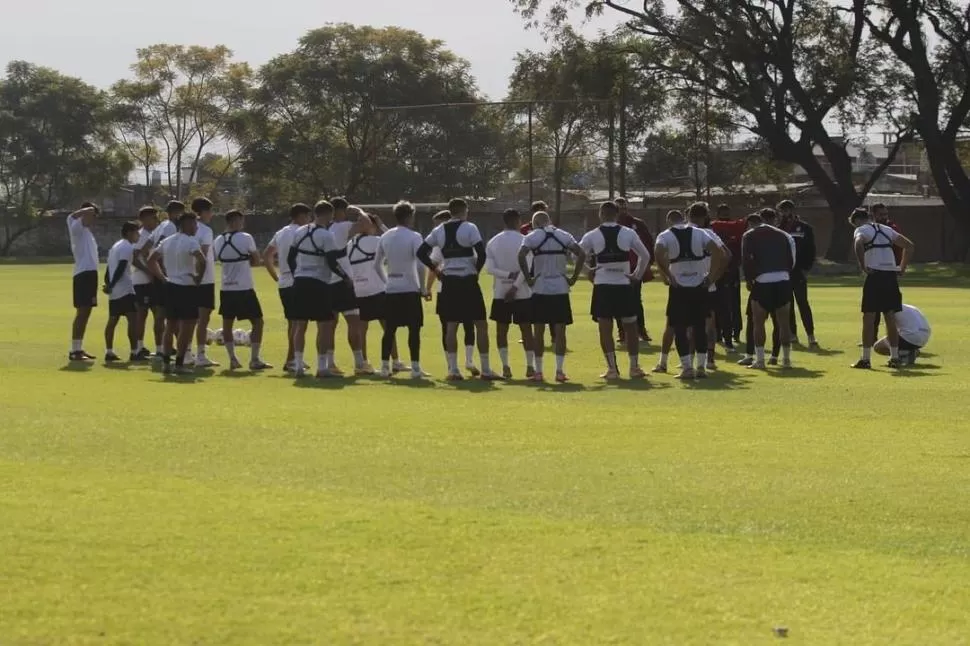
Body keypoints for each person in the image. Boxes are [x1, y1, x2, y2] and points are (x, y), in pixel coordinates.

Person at [418, 198, 500, 381]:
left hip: (449, 281)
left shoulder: (439, 230)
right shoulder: (470, 227)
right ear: (464, 211)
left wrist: (437, 270)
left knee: (451, 326)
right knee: (480, 324)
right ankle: (486, 369)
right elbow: (482, 252)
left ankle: (454, 370)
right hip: (468, 280)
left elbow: (421, 252)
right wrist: (476, 272)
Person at [579, 200, 651, 380]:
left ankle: (612, 369)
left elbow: (577, 254)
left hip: (603, 286)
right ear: (617, 214)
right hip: (624, 285)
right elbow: (645, 255)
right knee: (631, 327)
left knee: (605, 328)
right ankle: (634, 368)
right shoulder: (628, 233)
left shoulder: (592, 235)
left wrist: (588, 271)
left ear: (600, 214)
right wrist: (636, 275)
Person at [654, 203, 727, 380]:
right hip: (699, 286)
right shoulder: (700, 233)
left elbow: (658, 253)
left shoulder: (665, 235)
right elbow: (719, 253)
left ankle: (687, 368)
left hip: (679, 287)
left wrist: (668, 274)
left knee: (679, 327)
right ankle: (701, 368)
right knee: (699, 326)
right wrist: (710, 277)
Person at [287, 200, 353, 378]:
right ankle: (322, 367)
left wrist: (296, 275)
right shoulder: (326, 235)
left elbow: (290, 258)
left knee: (300, 325)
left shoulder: (300, 231)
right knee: (324, 325)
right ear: (329, 214)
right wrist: (346, 277)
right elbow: (332, 262)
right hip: (319, 283)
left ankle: (299, 365)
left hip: (300, 282)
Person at [519, 210, 586, 383]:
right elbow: (582, 254)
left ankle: (539, 372)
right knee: (560, 331)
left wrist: (528, 278)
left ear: (534, 224)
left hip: (540, 287)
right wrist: (574, 277)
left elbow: (521, 255)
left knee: (539, 331)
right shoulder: (564, 235)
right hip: (561, 288)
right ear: (549, 221)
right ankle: (559, 371)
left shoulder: (532, 236)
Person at [849, 207, 915, 369]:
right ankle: (894, 358)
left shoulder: (861, 229)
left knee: (869, 318)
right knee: (890, 318)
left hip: (875, 276)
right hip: (890, 277)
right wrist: (902, 267)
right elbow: (909, 245)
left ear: (856, 221)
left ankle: (865, 359)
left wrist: (863, 266)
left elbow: (858, 243)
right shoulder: (886, 229)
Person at [373, 201, 431, 379]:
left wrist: (386, 281)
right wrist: (422, 288)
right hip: (410, 289)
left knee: (389, 330)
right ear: (409, 216)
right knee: (414, 330)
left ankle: (384, 367)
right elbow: (421, 265)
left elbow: (377, 264)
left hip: (391, 289)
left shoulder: (386, 236)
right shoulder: (414, 236)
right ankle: (415, 368)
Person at [148, 212, 205, 375]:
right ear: (186, 224)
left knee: (170, 324)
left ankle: (166, 363)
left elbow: (151, 259)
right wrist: (198, 279)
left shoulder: (167, 241)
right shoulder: (191, 241)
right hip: (186, 286)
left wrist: (162, 277)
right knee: (187, 326)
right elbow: (202, 260)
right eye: (194, 224)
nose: (196, 227)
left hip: (170, 285)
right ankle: (179, 363)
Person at [347, 212, 405, 374]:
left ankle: (363, 362)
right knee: (388, 327)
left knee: (361, 329)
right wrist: (382, 226)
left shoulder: (350, 244)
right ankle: (395, 361)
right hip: (378, 289)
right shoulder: (376, 241)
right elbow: (396, 242)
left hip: (358, 290)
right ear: (372, 225)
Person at [214, 210, 271, 371]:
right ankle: (254, 359)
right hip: (244, 287)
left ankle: (232, 358)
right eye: (241, 220)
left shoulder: (218, 240)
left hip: (226, 288)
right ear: (236, 221)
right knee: (258, 322)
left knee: (227, 324)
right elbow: (256, 259)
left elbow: (219, 258)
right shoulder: (246, 238)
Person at [741, 207, 797, 369]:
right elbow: (792, 260)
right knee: (783, 323)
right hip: (783, 280)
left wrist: (750, 279)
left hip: (762, 281)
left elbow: (746, 260)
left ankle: (759, 361)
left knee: (758, 322)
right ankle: (786, 360)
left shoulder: (749, 235)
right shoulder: (784, 235)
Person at [427, 210, 479, 376]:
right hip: (464, 284)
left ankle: (454, 365)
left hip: (447, 289)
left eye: (438, 224)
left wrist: (428, 287)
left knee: (449, 327)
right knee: (466, 324)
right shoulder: (466, 237)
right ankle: (465, 361)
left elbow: (432, 267)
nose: (436, 228)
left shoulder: (440, 242)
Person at [486, 209, 535, 379]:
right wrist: (515, 286)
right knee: (527, 329)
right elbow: (527, 267)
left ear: (504, 221)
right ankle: (530, 366)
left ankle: (506, 366)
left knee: (501, 330)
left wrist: (507, 277)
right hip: (522, 291)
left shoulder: (493, 242)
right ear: (518, 221)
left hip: (500, 291)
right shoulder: (525, 240)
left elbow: (489, 269)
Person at [264, 203, 312, 372]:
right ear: (300, 216)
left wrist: (275, 276)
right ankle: (291, 359)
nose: (309, 220)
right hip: (298, 280)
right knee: (299, 323)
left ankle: (294, 357)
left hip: (284, 281)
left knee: (293, 323)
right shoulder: (303, 232)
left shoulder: (281, 232)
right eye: (307, 216)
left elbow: (267, 255)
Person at [320, 197, 365, 374]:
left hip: (326, 280)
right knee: (354, 322)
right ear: (342, 211)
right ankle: (360, 363)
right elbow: (365, 223)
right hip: (343, 281)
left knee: (329, 325)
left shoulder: (324, 229)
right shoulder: (344, 226)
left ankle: (330, 363)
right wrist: (359, 211)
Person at [778, 200, 818, 347]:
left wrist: (806, 267)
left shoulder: (805, 228)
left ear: (793, 210)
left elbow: (811, 249)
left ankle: (811, 335)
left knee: (803, 302)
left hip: (798, 271)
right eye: (783, 210)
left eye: (788, 209)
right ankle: (792, 334)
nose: (786, 213)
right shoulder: (778, 229)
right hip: (784, 272)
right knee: (788, 304)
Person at [615, 197, 655, 343]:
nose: (622, 211)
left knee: (636, 300)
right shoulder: (611, 226)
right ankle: (622, 332)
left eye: (624, 207)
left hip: (635, 268)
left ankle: (641, 330)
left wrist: (648, 264)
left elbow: (649, 243)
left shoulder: (637, 224)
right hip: (618, 269)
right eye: (619, 208)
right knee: (618, 301)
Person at [102, 221, 141, 362]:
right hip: (125, 288)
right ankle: (134, 352)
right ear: (129, 233)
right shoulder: (127, 247)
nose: (138, 235)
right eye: (137, 232)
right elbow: (121, 266)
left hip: (115, 292)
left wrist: (108, 284)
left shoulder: (115, 246)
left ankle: (109, 351)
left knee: (112, 320)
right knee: (133, 319)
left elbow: (109, 268)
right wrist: (111, 284)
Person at [67, 202, 100, 362]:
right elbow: (71, 216)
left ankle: (78, 348)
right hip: (84, 274)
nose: (94, 219)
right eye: (92, 216)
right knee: (82, 312)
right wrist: (88, 210)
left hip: (90, 274)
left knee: (86, 312)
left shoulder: (86, 232)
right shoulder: (76, 227)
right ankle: (75, 351)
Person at [710, 203, 746, 348]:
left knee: (733, 302)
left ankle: (734, 331)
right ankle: (720, 332)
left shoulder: (732, 227)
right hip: (719, 270)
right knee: (720, 303)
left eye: (726, 212)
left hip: (731, 270)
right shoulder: (714, 228)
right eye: (722, 212)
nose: (725, 215)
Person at [189, 197, 218, 368]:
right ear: (203, 212)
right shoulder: (205, 231)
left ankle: (186, 353)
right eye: (210, 211)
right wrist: (199, 277)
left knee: (187, 318)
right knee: (203, 319)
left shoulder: (182, 229)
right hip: (204, 280)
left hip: (186, 279)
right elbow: (203, 255)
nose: (211, 215)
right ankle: (200, 355)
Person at [131, 205, 161, 360]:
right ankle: (139, 347)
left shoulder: (156, 233)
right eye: (152, 217)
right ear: (143, 219)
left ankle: (160, 348)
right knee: (141, 315)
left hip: (155, 280)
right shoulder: (140, 235)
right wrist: (149, 271)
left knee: (159, 314)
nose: (156, 220)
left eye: (156, 217)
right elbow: (135, 258)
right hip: (142, 281)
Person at [869, 202, 903, 340]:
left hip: (889, 272)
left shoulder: (892, 229)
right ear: (874, 215)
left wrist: (899, 266)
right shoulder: (869, 229)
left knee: (890, 309)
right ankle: (872, 337)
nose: (884, 217)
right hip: (875, 272)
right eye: (881, 214)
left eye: (885, 214)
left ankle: (894, 337)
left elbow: (900, 249)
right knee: (872, 309)